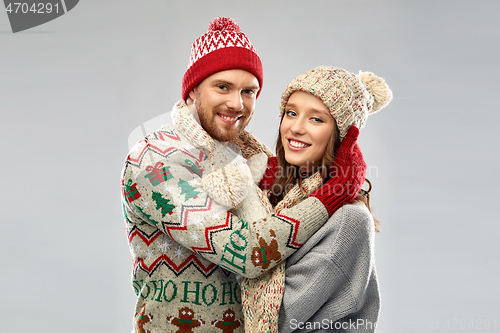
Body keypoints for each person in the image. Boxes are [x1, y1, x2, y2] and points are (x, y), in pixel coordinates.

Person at [120, 17, 365, 333]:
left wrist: (336, 162)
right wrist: (334, 193)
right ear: (192, 90)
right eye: (222, 87)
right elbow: (247, 252)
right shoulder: (156, 160)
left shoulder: (246, 157)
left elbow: (297, 182)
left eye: (249, 91)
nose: (237, 104)